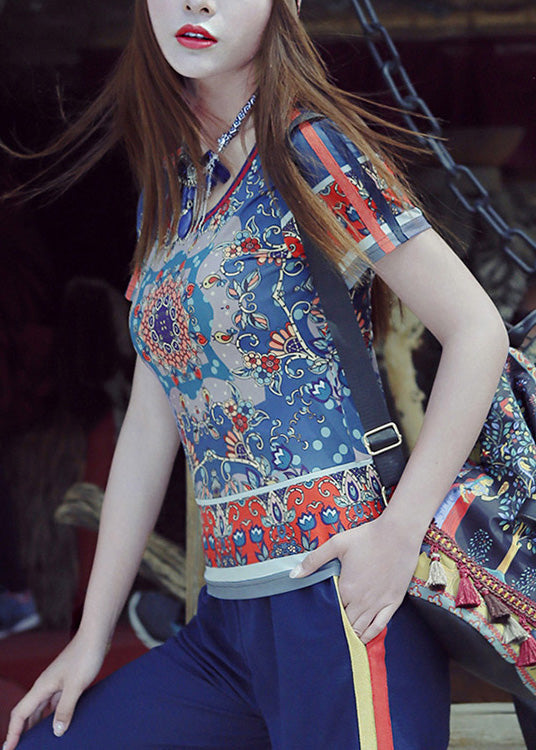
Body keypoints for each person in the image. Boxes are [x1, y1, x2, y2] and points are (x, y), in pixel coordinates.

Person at [2, 1, 509, 748]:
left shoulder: (312, 149)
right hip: (226, 629)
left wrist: (400, 533)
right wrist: (90, 635)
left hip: (340, 608)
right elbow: (150, 418)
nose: (197, 3)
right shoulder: (170, 189)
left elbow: (476, 329)